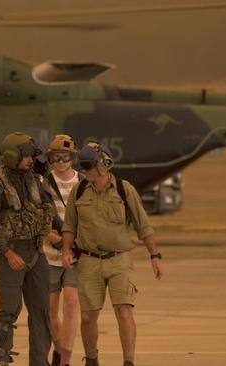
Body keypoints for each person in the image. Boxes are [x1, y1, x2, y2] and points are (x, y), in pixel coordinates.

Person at [61, 142, 164, 366]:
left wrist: (154, 256)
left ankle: (128, 361)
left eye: (88, 165)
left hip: (119, 260)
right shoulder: (78, 192)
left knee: (123, 310)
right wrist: (67, 250)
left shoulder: (124, 190)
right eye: (83, 165)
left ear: (103, 165)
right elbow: (69, 225)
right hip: (89, 261)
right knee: (88, 317)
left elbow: (143, 225)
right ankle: (91, 359)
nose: (84, 170)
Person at [0, 132, 56, 366]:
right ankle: (3, 359)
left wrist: (67, 236)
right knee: (9, 311)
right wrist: (7, 253)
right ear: (13, 156)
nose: (30, 160)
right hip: (13, 254)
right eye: (25, 156)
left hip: (36, 253)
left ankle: (39, 361)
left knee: (41, 313)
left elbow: (48, 212)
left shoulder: (35, 181)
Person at [40, 135, 82, 366]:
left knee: (72, 303)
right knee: (50, 309)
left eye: (65, 157)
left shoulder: (82, 183)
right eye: (55, 157)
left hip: (76, 254)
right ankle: (58, 348)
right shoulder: (43, 184)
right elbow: (39, 219)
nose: (60, 161)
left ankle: (66, 357)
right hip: (48, 254)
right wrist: (51, 238)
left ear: (72, 158)